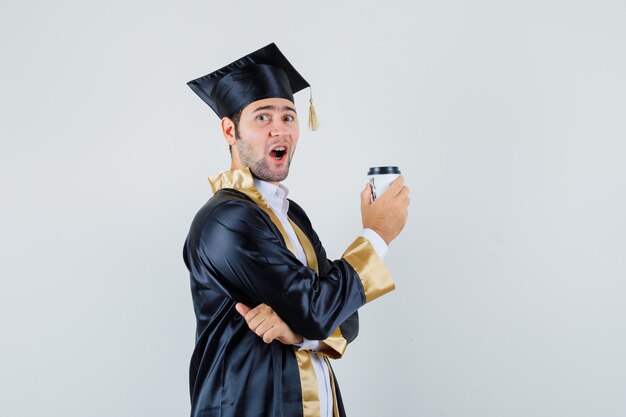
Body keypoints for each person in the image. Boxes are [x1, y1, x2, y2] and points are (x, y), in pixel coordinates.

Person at [183, 43, 409, 417]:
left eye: (288, 117)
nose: (280, 129)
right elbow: (319, 311)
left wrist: (296, 333)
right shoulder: (227, 218)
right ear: (229, 130)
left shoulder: (292, 216)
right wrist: (378, 233)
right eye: (262, 117)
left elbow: (343, 317)